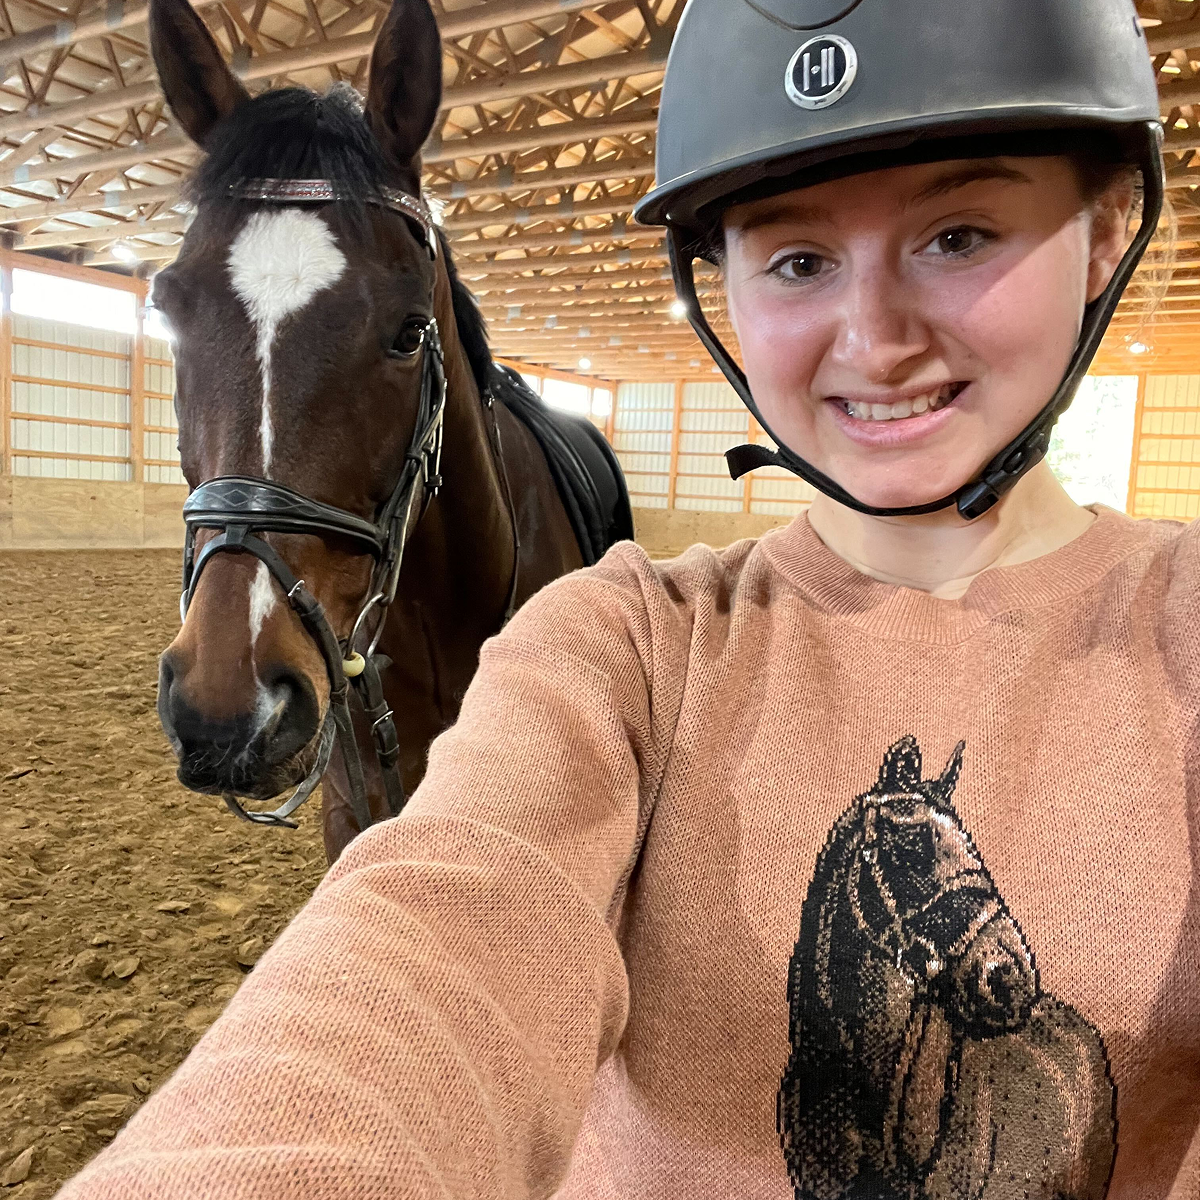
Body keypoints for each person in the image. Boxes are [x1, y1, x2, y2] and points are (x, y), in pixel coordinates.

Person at [57, 0, 1199, 1196]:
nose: (875, 339)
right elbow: (445, 923)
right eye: (799, 259)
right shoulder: (622, 641)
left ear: (1110, 231)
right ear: (729, 286)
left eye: (959, 235)